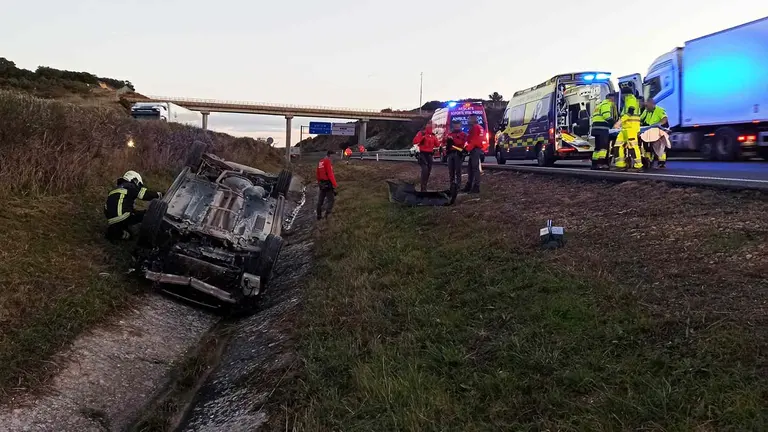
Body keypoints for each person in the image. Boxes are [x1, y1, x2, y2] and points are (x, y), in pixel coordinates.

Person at [103, 170, 162, 242]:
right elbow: (144, 194)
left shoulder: (116, 188)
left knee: (128, 231)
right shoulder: (130, 186)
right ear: (134, 180)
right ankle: (119, 233)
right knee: (146, 214)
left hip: (110, 218)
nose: (138, 186)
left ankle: (116, 231)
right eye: (139, 184)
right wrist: (158, 195)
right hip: (123, 216)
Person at [640, 98, 670, 168]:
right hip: (649, 130)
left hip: (659, 130)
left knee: (660, 145)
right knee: (646, 145)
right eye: (646, 106)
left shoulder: (660, 110)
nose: (646, 107)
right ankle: (648, 160)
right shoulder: (646, 111)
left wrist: (658, 124)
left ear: (652, 104)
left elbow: (664, 119)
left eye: (647, 106)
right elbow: (641, 119)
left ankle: (661, 162)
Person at [590, 93, 617, 170]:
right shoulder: (606, 104)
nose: (614, 101)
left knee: (597, 148)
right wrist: (615, 123)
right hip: (602, 129)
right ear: (611, 99)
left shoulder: (599, 105)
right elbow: (606, 116)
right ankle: (601, 163)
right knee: (603, 148)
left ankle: (595, 163)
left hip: (596, 129)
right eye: (614, 99)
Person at [613, 106, 643, 171]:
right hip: (625, 128)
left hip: (631, 128)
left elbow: (630, 112)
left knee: (633, 147)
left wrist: (619, 122)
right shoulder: (626, 100)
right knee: (617, 146)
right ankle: (620, 165)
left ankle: (638, 166)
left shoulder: (631, 99)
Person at [412, 123, 439, 191]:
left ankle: (424, 186)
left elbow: (437, 144)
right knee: (425, 169)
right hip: (422, 153)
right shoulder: (421, 133)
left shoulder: (432, 135)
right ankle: (423, 187)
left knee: (429, 170)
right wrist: (422, 137)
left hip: (429, 154)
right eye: (429, 126)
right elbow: (415, 141)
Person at [445, 119, 468, 192]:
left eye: (457, 125)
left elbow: (461, 143)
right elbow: (445, 143)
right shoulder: (450, 134)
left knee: (458, 171)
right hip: (450, 154)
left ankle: (458, 186)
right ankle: (452, 186)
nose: (456, 126)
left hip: (458, 154)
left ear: (460, 125)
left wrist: (453, 141)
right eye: (455, 125)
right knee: (451, 171)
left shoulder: (463, 134)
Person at [463, 115, 484, 194]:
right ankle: (469, 185)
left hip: (475, 149)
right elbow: (470, 138)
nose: (467, 120)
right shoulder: (479, 127)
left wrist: (466, 149)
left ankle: (476, 187)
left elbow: (474, 140)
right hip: (475, 149)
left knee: (474, 168)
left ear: (473, 119)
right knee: (470, 168)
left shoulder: (475, 128)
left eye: (469, 119)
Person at [316, 150, 338, 220]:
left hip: (322, 183)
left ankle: (318, 216)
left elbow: (317, 173)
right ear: (330, 155)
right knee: (331, 200)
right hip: (327, 184)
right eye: (333, 156)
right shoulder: (327, 162)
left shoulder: (320, 162)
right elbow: (330, 174)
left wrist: (319, 182)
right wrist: (335, 184)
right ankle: (327, 215)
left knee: (320, 201)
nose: (334, 158)